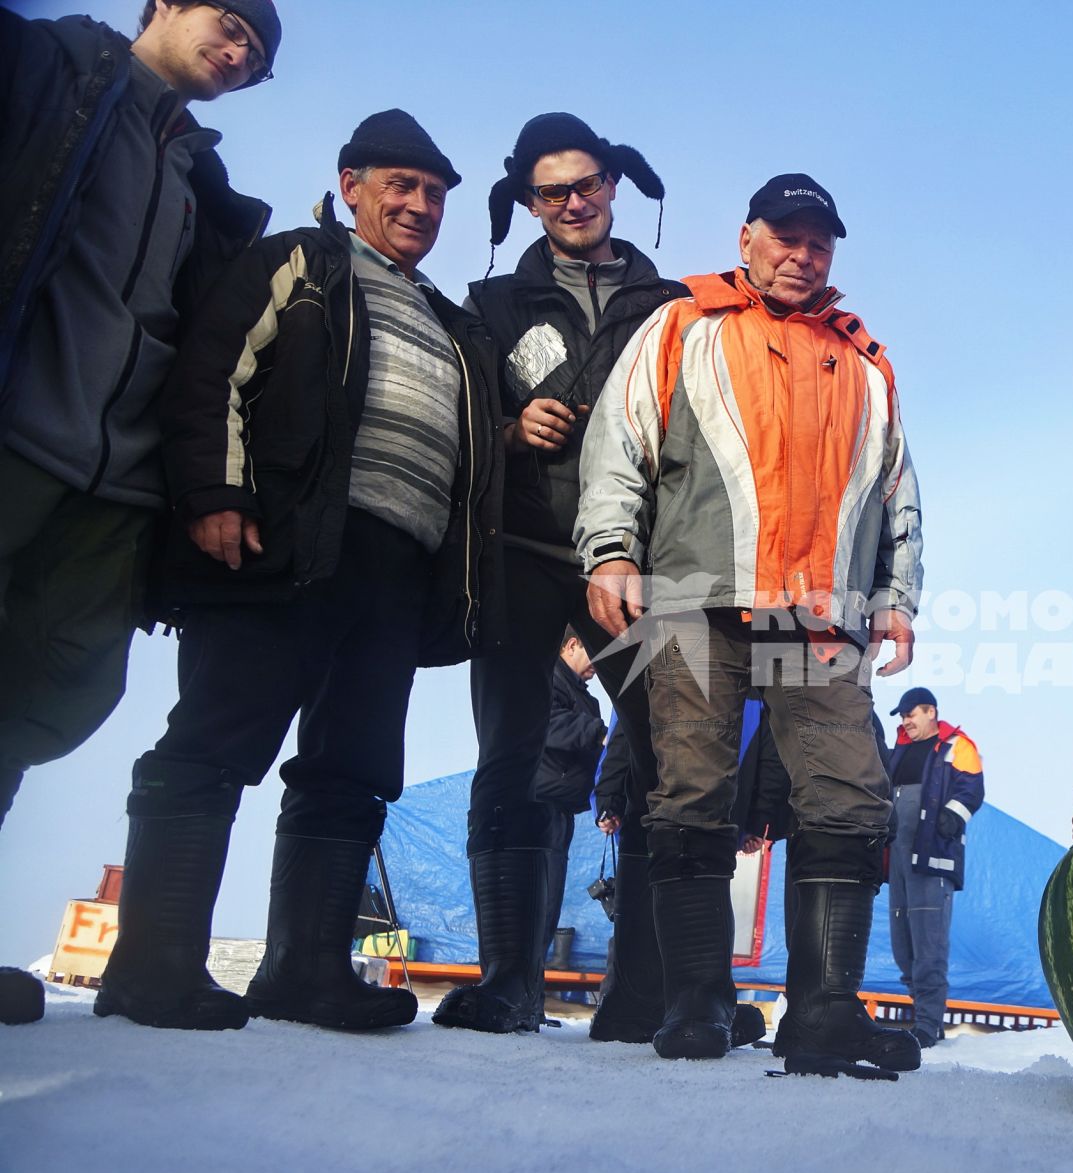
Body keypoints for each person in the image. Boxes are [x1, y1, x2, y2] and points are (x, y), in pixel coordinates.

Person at [94, 110, 503, 1033]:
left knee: (353, 766)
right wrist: (216, 493)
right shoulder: (305, 262)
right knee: (215, 737)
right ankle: (151, 963)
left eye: (436, 195)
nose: (419, 205)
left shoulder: (447, 319)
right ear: (351, 184)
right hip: (282, 542)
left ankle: (303, 970)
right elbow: (214, 372)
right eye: (400, 186)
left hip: (398, 566)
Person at [577, 174, 924, 1068]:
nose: (802, 254)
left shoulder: (867, 361)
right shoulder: (682, 324)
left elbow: (898, 494)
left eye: (819, 242)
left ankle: (823, 1016)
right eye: (785, 235)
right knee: (689, 796)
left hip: (818, 621)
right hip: (694, 605)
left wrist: (897, 598)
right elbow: (619, 440)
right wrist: (610, 551)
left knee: (849, 798)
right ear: (747, 237)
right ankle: (693, 1007)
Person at [0, 0, 279, 1021]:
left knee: (44, 693)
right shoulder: (56, 68)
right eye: (230, 21)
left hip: (116, 477)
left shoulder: (201, 182)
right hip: (19, 429)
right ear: (162, 4)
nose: (241, 48)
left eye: (257, 51)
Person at [435, 113, 689, 1035]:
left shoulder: (679, 307)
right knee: (513, 760)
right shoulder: (488, 306)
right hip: (523, 558)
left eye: (589, 183)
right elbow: (450, 426)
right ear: (526, 201)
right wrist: (507, 433)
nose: (575, 201)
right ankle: (510, 981)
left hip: (645, 568)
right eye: (553, 191)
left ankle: (644, 995)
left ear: (616, 184)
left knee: (670, 767)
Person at [589, 698, 785, 1046]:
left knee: (666, 863)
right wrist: (608, 796)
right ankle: (661, 1007)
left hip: (673, 810)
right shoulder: (743, 680)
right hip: (694, 811)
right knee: (662, 874)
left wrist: (759, 819)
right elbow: (625, 731)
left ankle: (641, 1006)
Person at [886, 687, 983, 1048]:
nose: (905, 722)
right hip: (897, 861)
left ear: (931, 712)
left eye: (911, 714)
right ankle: (920, 1017)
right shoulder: (898, 751)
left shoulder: (957, 746)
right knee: (902, 946)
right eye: (902, 716)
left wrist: (951, 817)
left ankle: (928, 1024)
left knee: (929, 945)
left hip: (931, 859)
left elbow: (972, 789)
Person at [533, 631, 609, 971]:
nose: (599, 663)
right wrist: (597, 732)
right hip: (540, 807)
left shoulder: (584, 698)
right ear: (572, 644)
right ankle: (520, 993)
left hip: (562, 810)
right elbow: (547, 725)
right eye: (595, 650)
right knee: (535, 905)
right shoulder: (546, 680)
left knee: (548, 907)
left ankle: (530, 997)